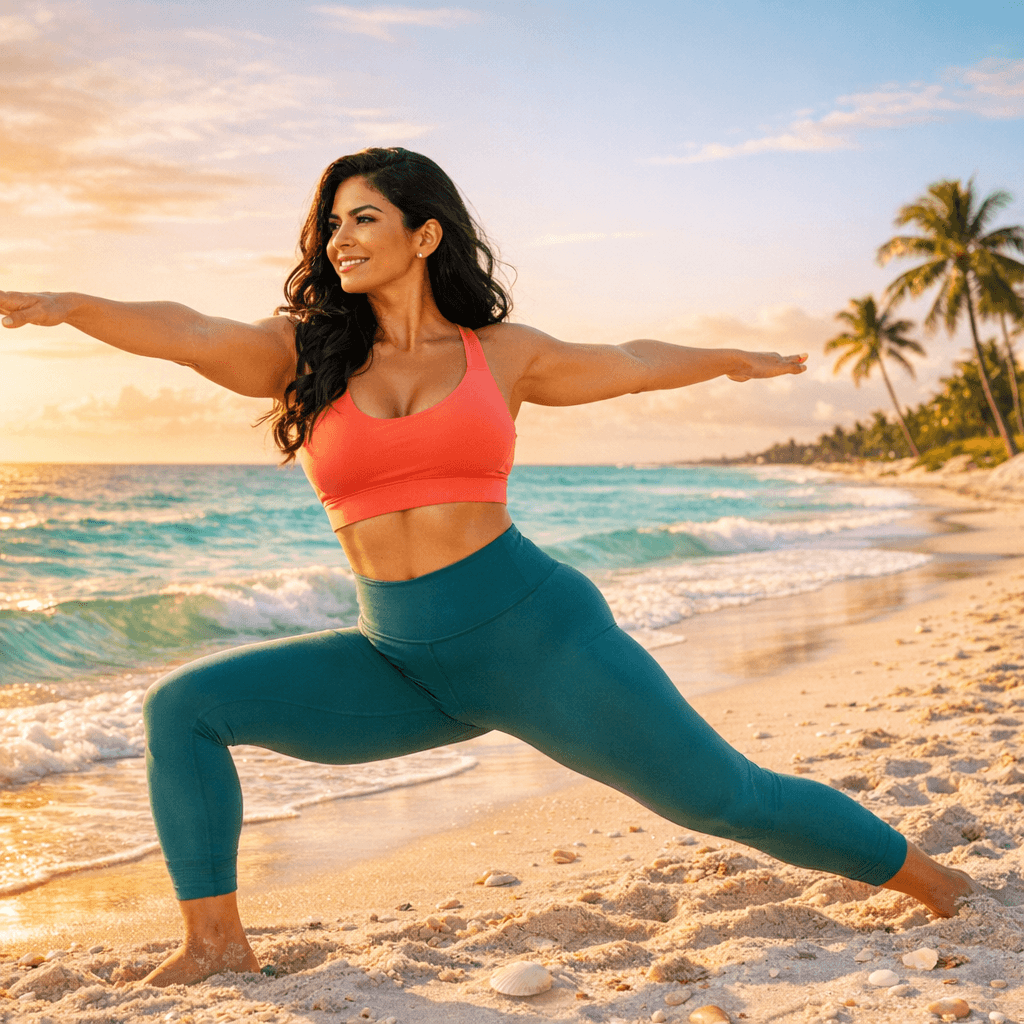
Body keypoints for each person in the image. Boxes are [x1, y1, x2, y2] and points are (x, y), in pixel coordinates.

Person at [0, 147, 986, 987]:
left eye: (364, 218)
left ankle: (942, 886)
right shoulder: (302, 355)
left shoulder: (501, 355)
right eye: (329, 223)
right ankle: (216, 942)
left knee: (723, 798)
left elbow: (632, 357)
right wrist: (64, 303)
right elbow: (187, 330)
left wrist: (730, 359)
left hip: (538, 640)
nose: (338, 237)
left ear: (424, 236)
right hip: (400, 660)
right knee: (184, 705)